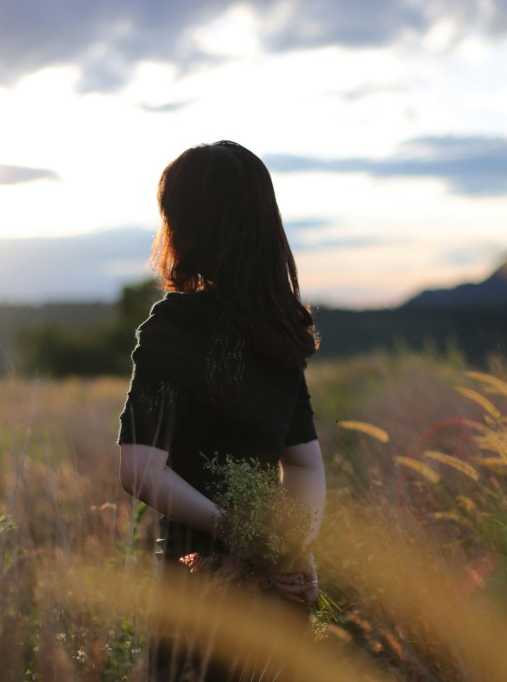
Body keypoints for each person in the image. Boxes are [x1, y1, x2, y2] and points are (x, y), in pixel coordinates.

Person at [117, 140, 326, 681]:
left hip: (200, 589)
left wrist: (245, 536)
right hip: (279, 588)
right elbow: (305, 464)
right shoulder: (278, 328)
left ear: (185, 226)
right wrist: (289, 550)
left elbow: (139, 469)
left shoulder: (175, 327)